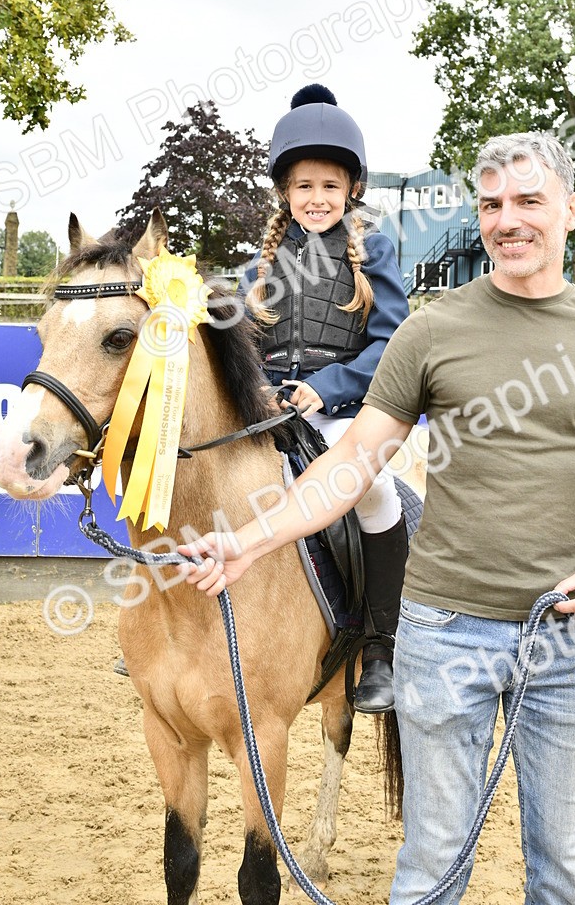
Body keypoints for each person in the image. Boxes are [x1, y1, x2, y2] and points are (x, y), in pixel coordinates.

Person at [181, 131, 575, 904]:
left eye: (527, 201)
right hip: (445, 633)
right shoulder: (431, 332)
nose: (507, 220)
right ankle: (373, 642)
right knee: (430, 870)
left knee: (566, 876)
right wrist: (250, 540)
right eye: (490, 205)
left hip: (569, 636)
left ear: (572, 210)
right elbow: (350, 465)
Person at [239, 82, 411, 712]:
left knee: (373, 490)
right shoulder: (258, 265)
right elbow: (236, 346)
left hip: (345, 412)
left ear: (352, 190)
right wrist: (255, 387)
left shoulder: (376, 250)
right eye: (305, 187)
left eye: (330, 187)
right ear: (286, 191)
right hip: (266, 413)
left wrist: (323, 388)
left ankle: (380, 647)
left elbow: (392, 344)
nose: (317, 199)